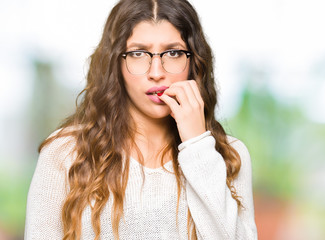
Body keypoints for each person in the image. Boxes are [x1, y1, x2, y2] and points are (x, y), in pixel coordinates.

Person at [24, 0, 257, 239]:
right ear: (116, 63)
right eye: (138, 53)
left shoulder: (229, 156)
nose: (156, 72)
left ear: (193, 62)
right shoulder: (66, 152)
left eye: (174, 52)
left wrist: (198, 146)